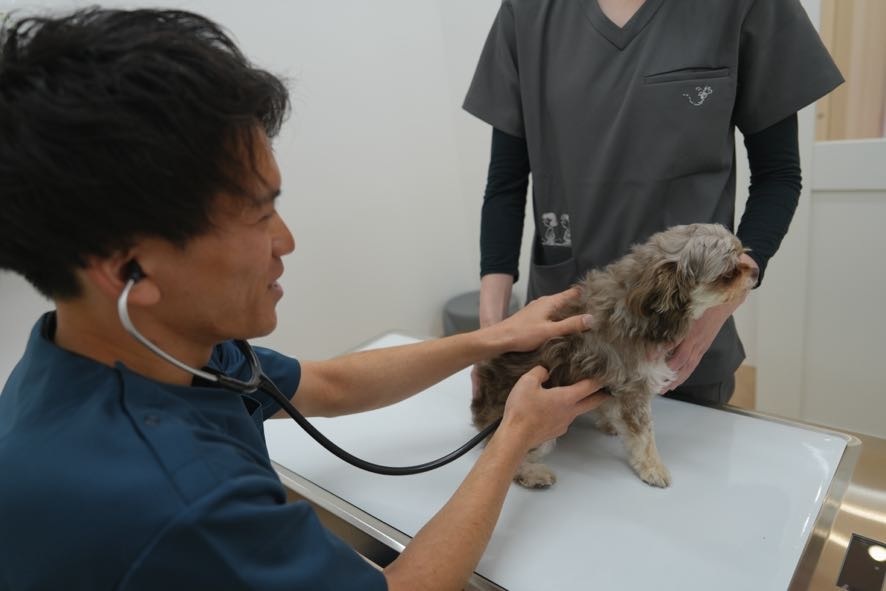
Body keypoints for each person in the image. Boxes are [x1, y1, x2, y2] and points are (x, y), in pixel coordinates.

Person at [0, 8, 610, 590]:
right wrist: (514, 435)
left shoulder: (120, 350)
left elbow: (329, 385)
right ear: (129, 267)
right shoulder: (178, 502)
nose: (286, 241)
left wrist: (492, 337)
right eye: (258, 215)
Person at [463, 0, 843, 404]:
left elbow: (778, 176)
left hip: (681, 346)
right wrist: (491, 336)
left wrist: (719, 306)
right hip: (563, 343)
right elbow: (505, 185)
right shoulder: (527, 12)